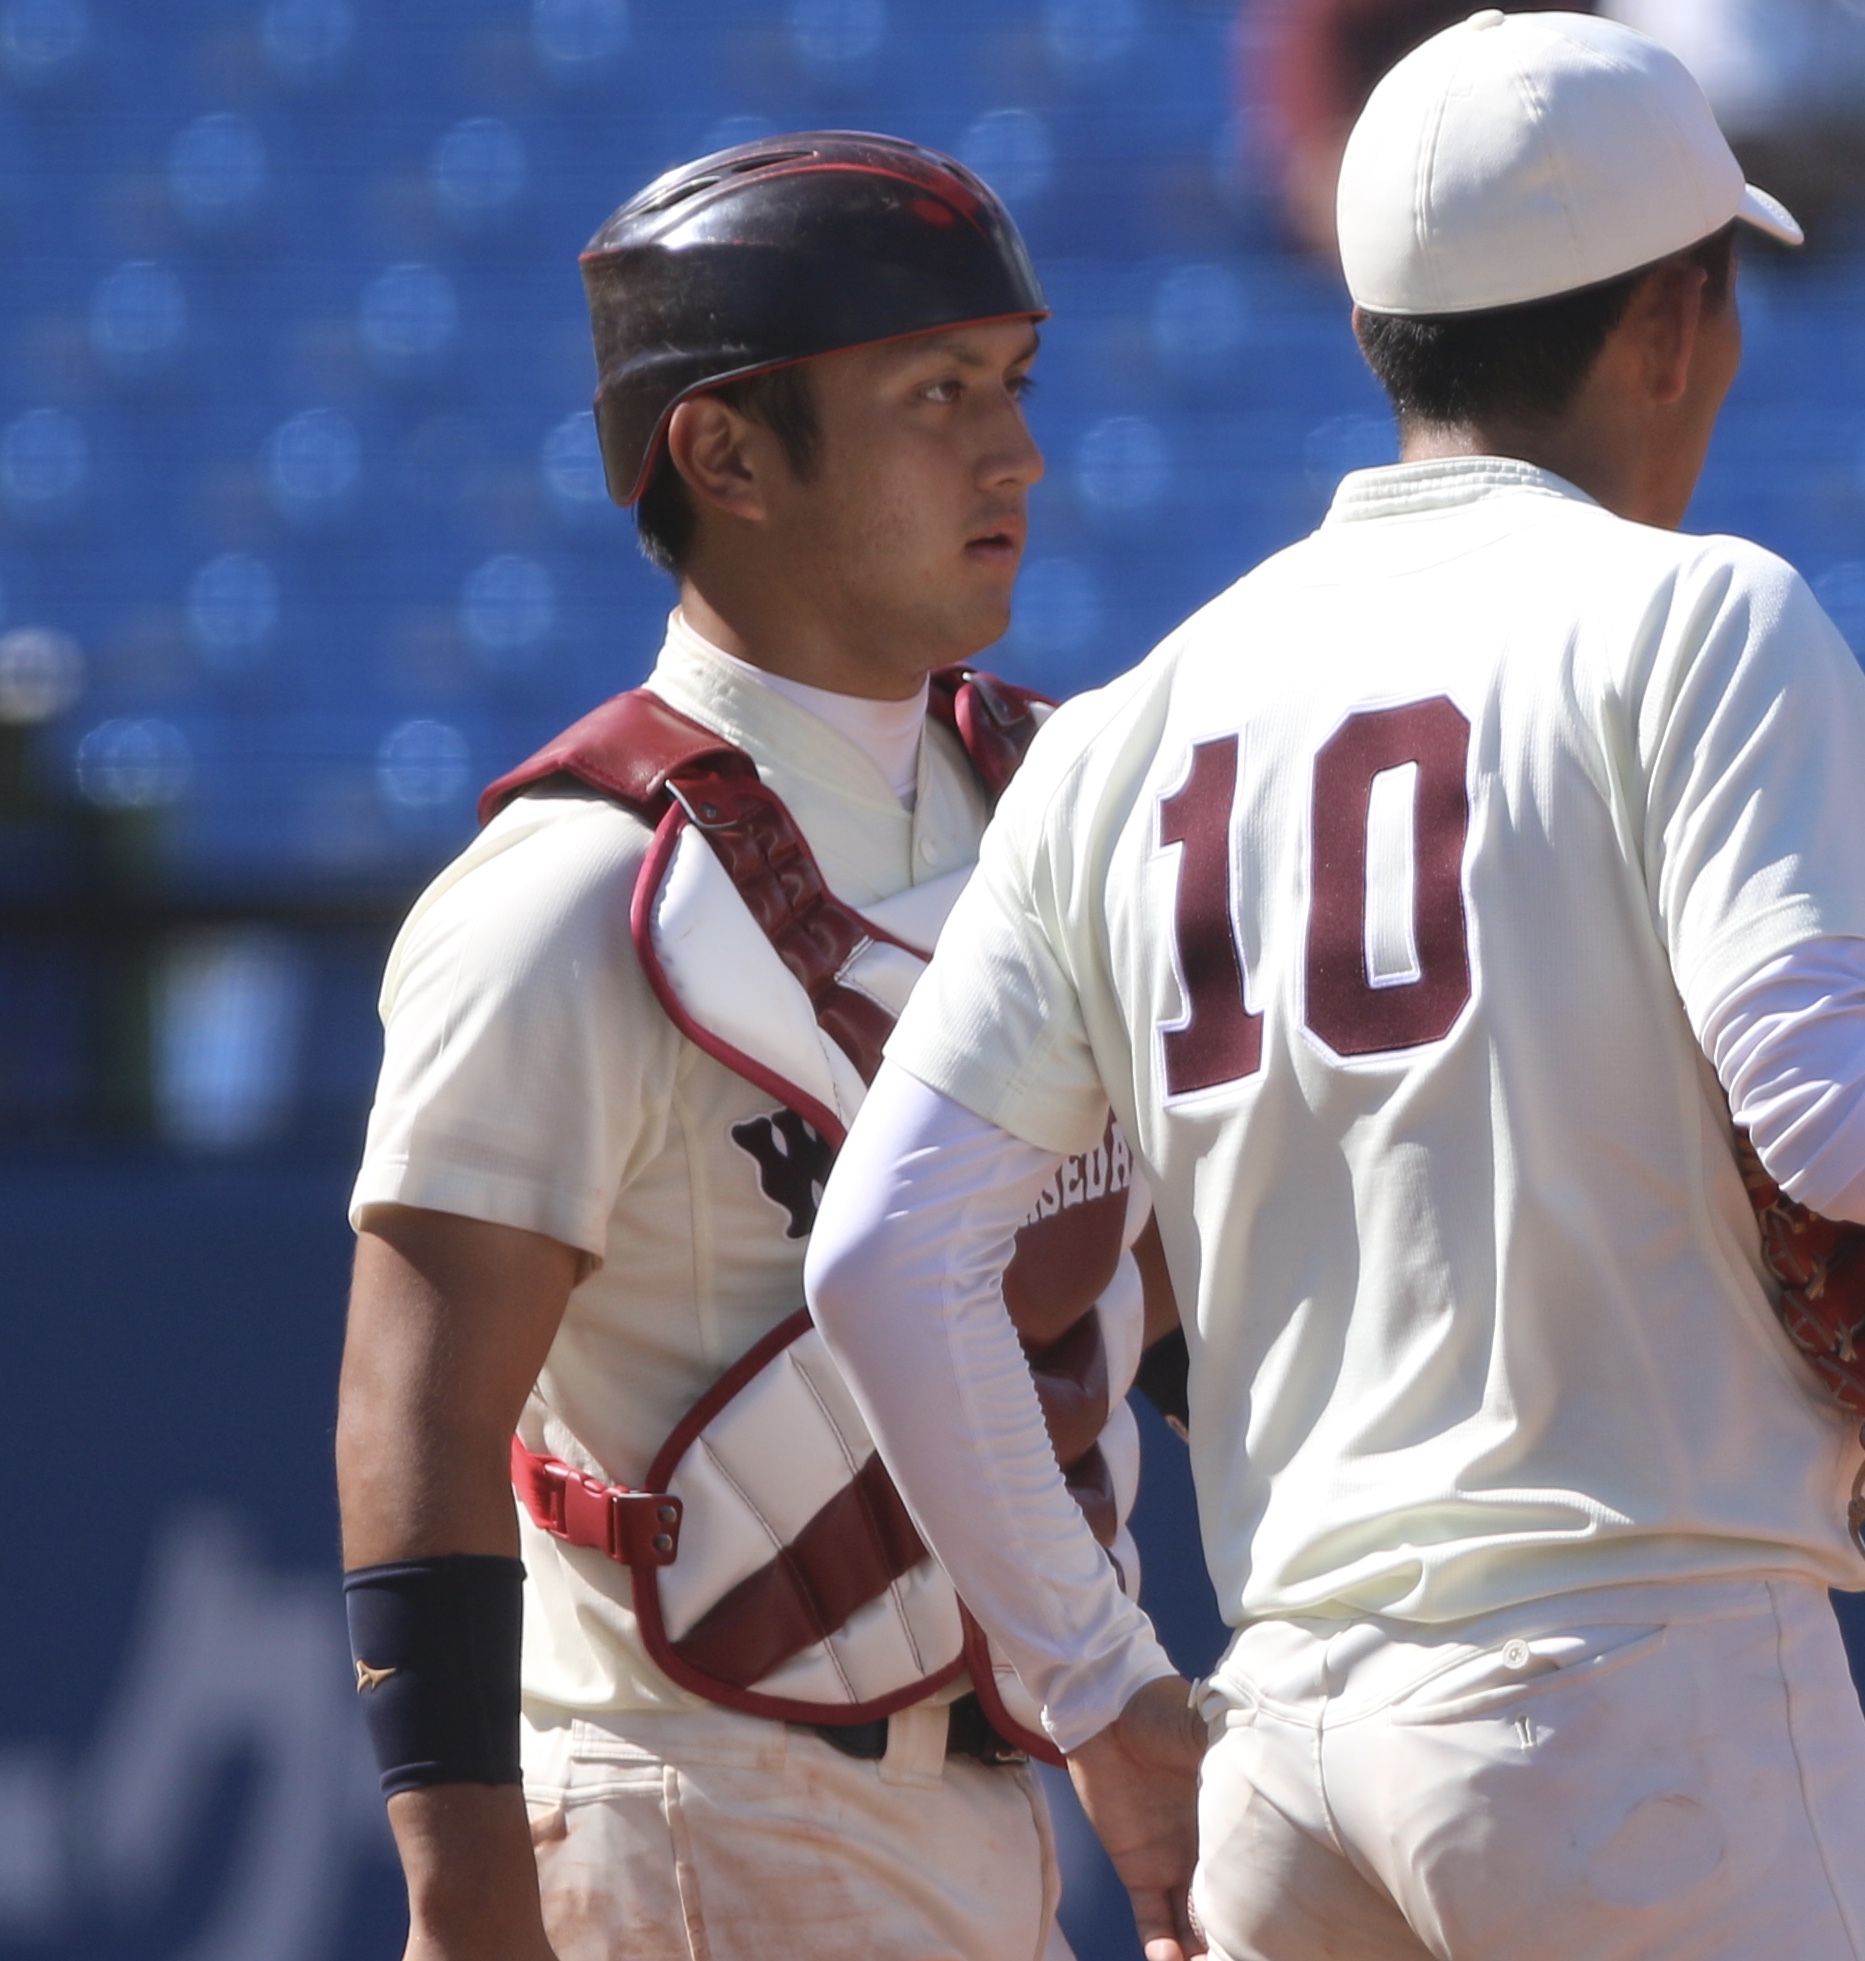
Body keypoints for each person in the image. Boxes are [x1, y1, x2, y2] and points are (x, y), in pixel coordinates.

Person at [803, 17, 1865, 1961]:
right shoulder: (1689, 614)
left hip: (1284, 1740)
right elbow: (1849, 1119)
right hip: (1627, 1693)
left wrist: (1103, 1695)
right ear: (1662, 325)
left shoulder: (1134, 726)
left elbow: (879, 1256)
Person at [335, 132, 1169, 1961]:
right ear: (720, 451)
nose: (1014, 449)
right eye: (935, 393)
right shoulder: (566, 892)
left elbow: (1137, 1305)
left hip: (995, 1800)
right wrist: (469, 1898)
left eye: (1015, 384)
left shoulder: (1066, 803)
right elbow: (418, 1411)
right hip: (692, 1807)